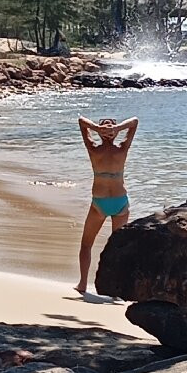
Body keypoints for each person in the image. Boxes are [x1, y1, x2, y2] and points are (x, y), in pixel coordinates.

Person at [75, 115, 139, 295]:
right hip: (117, 202)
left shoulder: (97, 149)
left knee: (95, 246)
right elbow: (134, 122)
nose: (108, 128)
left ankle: (85, 284)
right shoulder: (120, 149)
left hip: (102, 202)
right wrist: (112, 128)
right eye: (106, 126)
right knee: (108, 247)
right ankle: (104, 286)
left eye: (110, 127)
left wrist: (100, 128)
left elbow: (134, 121)